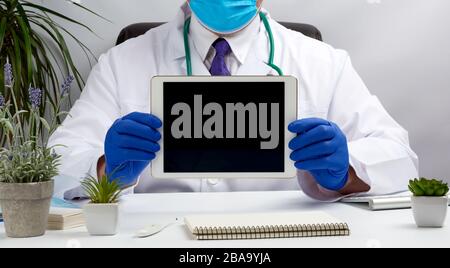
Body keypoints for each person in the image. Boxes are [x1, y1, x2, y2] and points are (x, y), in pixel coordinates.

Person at [48, 0, 419, 201]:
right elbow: (56, 161)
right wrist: (103, 168)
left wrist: (346, 173)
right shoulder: (121, 62)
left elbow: (401, 158)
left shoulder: (323, 62)